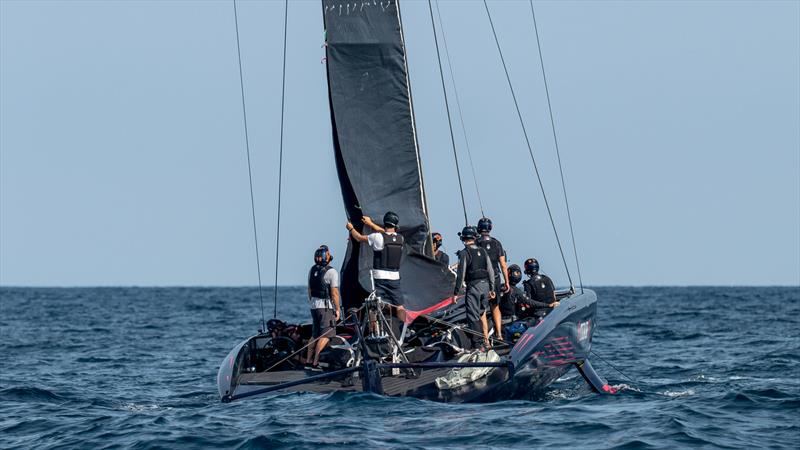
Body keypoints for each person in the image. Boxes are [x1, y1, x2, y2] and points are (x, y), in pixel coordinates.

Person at [346, 211, 406, 322]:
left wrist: (350, 228)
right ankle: (404, 328)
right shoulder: (400, 239)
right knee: (400, 306)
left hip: (380, 278)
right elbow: (386, 234)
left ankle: (375, 332)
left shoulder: (377, 237)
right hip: (395, 278)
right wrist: (371, 224)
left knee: (374, 305)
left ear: (385, 222)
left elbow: (359, 238)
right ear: (395, 225)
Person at [453, 225, 496, 351]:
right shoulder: (483, 251)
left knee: (472, 316)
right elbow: (490, 270)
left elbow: (461, 273)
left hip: (474, 287)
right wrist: (492, 289)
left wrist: (456, 292)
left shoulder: (464, 253)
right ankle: (485, 341)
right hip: (486, 286)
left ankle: (478, 345)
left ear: (463, 239)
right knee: (481, 313)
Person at [305, 245, 341, 369]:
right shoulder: (332, 272)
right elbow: (334, 293)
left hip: (314, 306)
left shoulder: (312, 270)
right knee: (326, 334)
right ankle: (315, 362)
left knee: (315, 334)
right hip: (325, 307)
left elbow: (309, 289)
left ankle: (308, 361)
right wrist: (337, 309)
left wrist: (313, 301)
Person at [476, 217, 510, 340]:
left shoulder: (476, 243)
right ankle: (499, 335)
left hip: (481, 279)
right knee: (495, 306)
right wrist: (507, 281)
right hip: (495, 278)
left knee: (482, 309)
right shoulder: (497, 243)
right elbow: (503, 264)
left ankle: (485, 338)